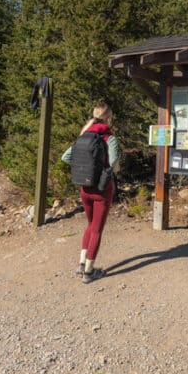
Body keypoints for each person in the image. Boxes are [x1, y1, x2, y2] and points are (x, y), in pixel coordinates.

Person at [61, 102, 120, 284]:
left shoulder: (83, 135)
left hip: (84, 187)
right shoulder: (109, 137)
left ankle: (81, 264)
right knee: (97, 229)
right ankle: (89, 272)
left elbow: (66, 157)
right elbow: (114, 161)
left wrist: (84, 169)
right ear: (108, 118)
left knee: (90, 225)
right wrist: (109, 172)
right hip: (102, 189)